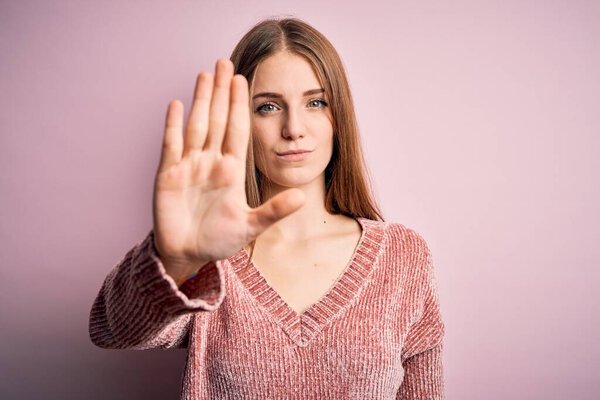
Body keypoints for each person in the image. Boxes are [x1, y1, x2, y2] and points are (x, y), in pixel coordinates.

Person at [89, 17, 445, 399]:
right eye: (268, 107)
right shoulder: (212, 259)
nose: (294, 127)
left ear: (338, 117)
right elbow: (113, 329)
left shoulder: (403, 256)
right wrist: (175, 260)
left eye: (316, 102)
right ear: (239, 121)